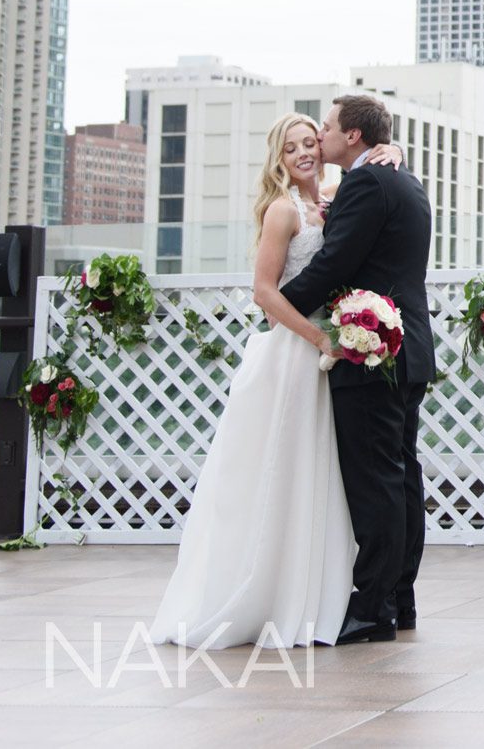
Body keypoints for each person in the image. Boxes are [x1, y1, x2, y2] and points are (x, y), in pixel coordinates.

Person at [151, 111, 405, 648]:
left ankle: (320, 595)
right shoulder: (281, 210)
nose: (304, 153)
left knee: (328, 477)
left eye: (311, 142)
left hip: (336, 359)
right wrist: (318, 340)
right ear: (280, 159)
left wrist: (394, 150)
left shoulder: (337, 195)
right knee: (283, 472)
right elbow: (265, 293)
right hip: (297, 354)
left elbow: (374, 173)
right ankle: (270, 592)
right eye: (291, 149)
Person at [279, 93, 434, 645]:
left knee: (377, 484)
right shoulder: (403, 178)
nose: (318, 137)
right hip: (407, 349)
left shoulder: (369, 182)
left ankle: (371, 608)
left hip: (374, 354)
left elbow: (335, 262)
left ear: (352, 137)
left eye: (324, 128)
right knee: (400, 477)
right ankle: (400, 600)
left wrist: (278, 307)